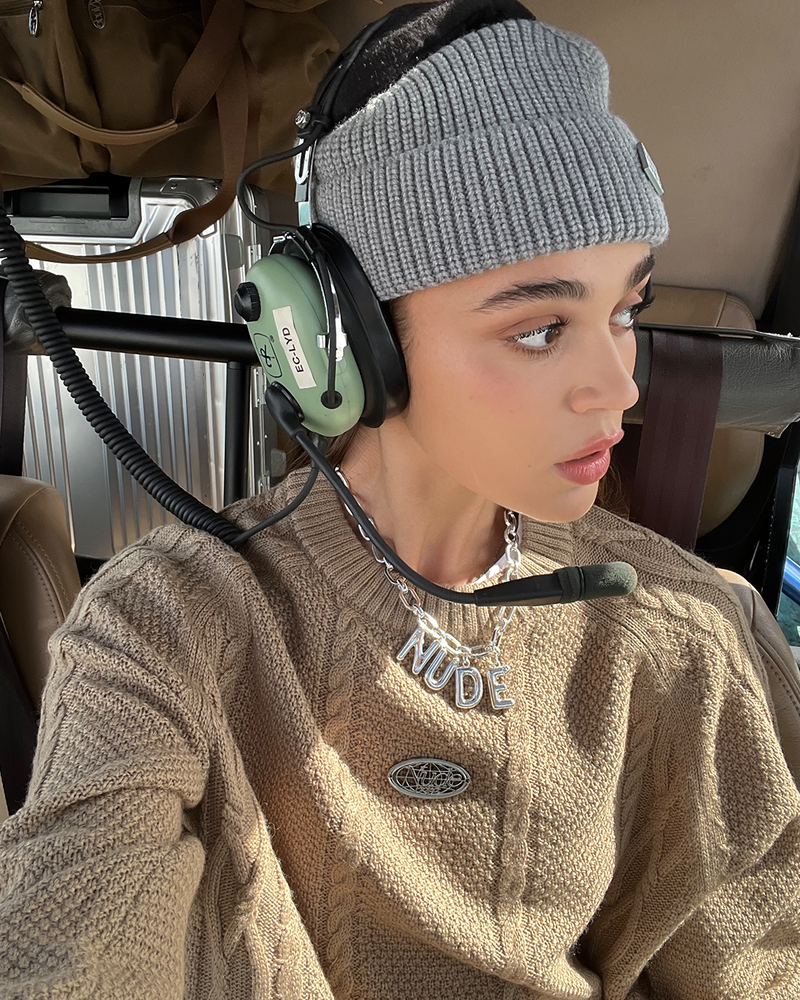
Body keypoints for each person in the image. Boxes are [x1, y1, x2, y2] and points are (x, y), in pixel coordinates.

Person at [1, 1, 799, 997]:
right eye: (539, 329)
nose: (619, 388)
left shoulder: (692, 633)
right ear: (343, 342)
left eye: (625, 309)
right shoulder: (163, 630)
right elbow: (69, 948)